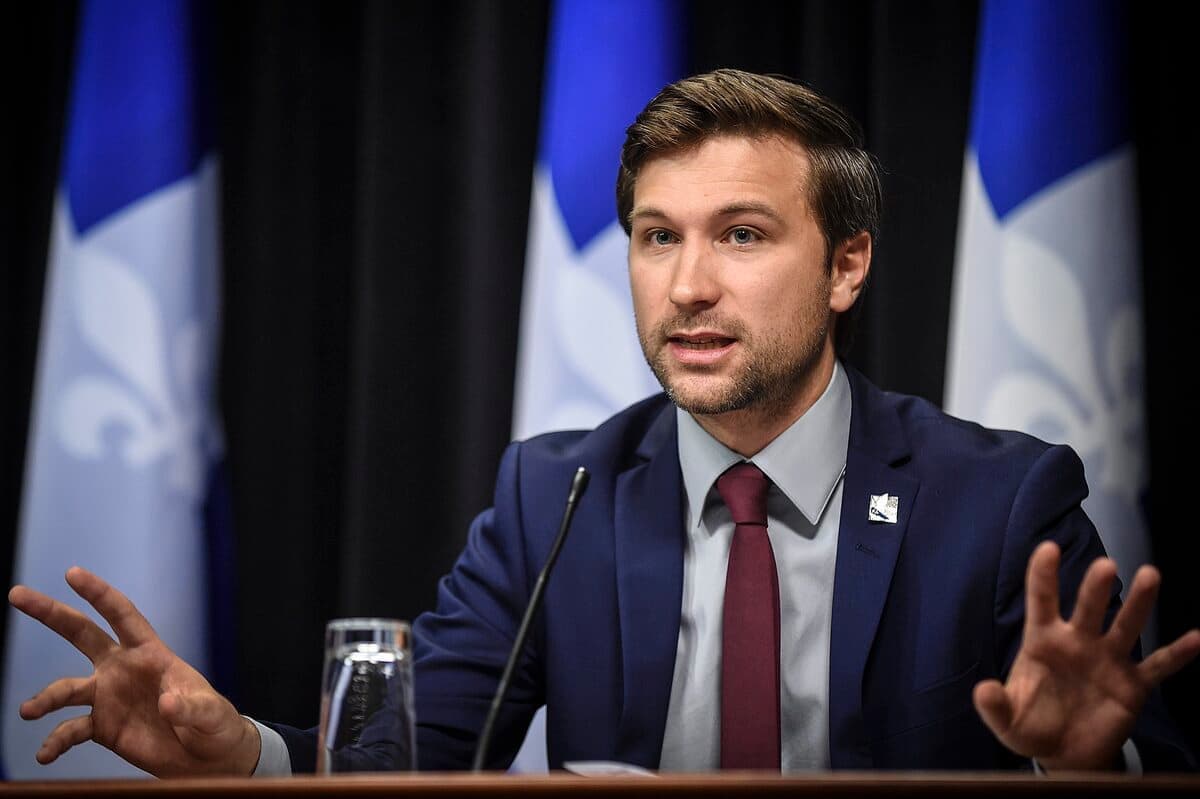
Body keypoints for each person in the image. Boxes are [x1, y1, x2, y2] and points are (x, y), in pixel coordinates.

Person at [9, 69, 1199, 776]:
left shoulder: (998, 502)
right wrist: (239, 752)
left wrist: (1084, 763)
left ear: (848, 264)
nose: (687, 285)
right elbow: (413, 759)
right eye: (655, 236)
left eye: (741, 235)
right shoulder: (558, 494)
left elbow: (1137, 754)